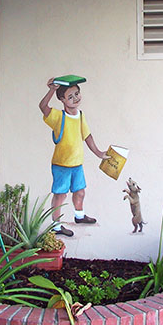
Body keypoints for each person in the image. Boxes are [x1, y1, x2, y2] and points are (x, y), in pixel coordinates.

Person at [39, 77, 108, 237]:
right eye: (70, 96)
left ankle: (79, 215)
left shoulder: (80, 116)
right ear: (62, 100)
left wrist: (98, 153)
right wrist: (52, 89)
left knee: (80, 191)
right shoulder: (58, 116)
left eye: (77, 94)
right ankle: (56, 226)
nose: (75, 98)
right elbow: (43, 107)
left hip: (77, 164)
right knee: (61, 195)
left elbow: (87, 136)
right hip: (61, 165)